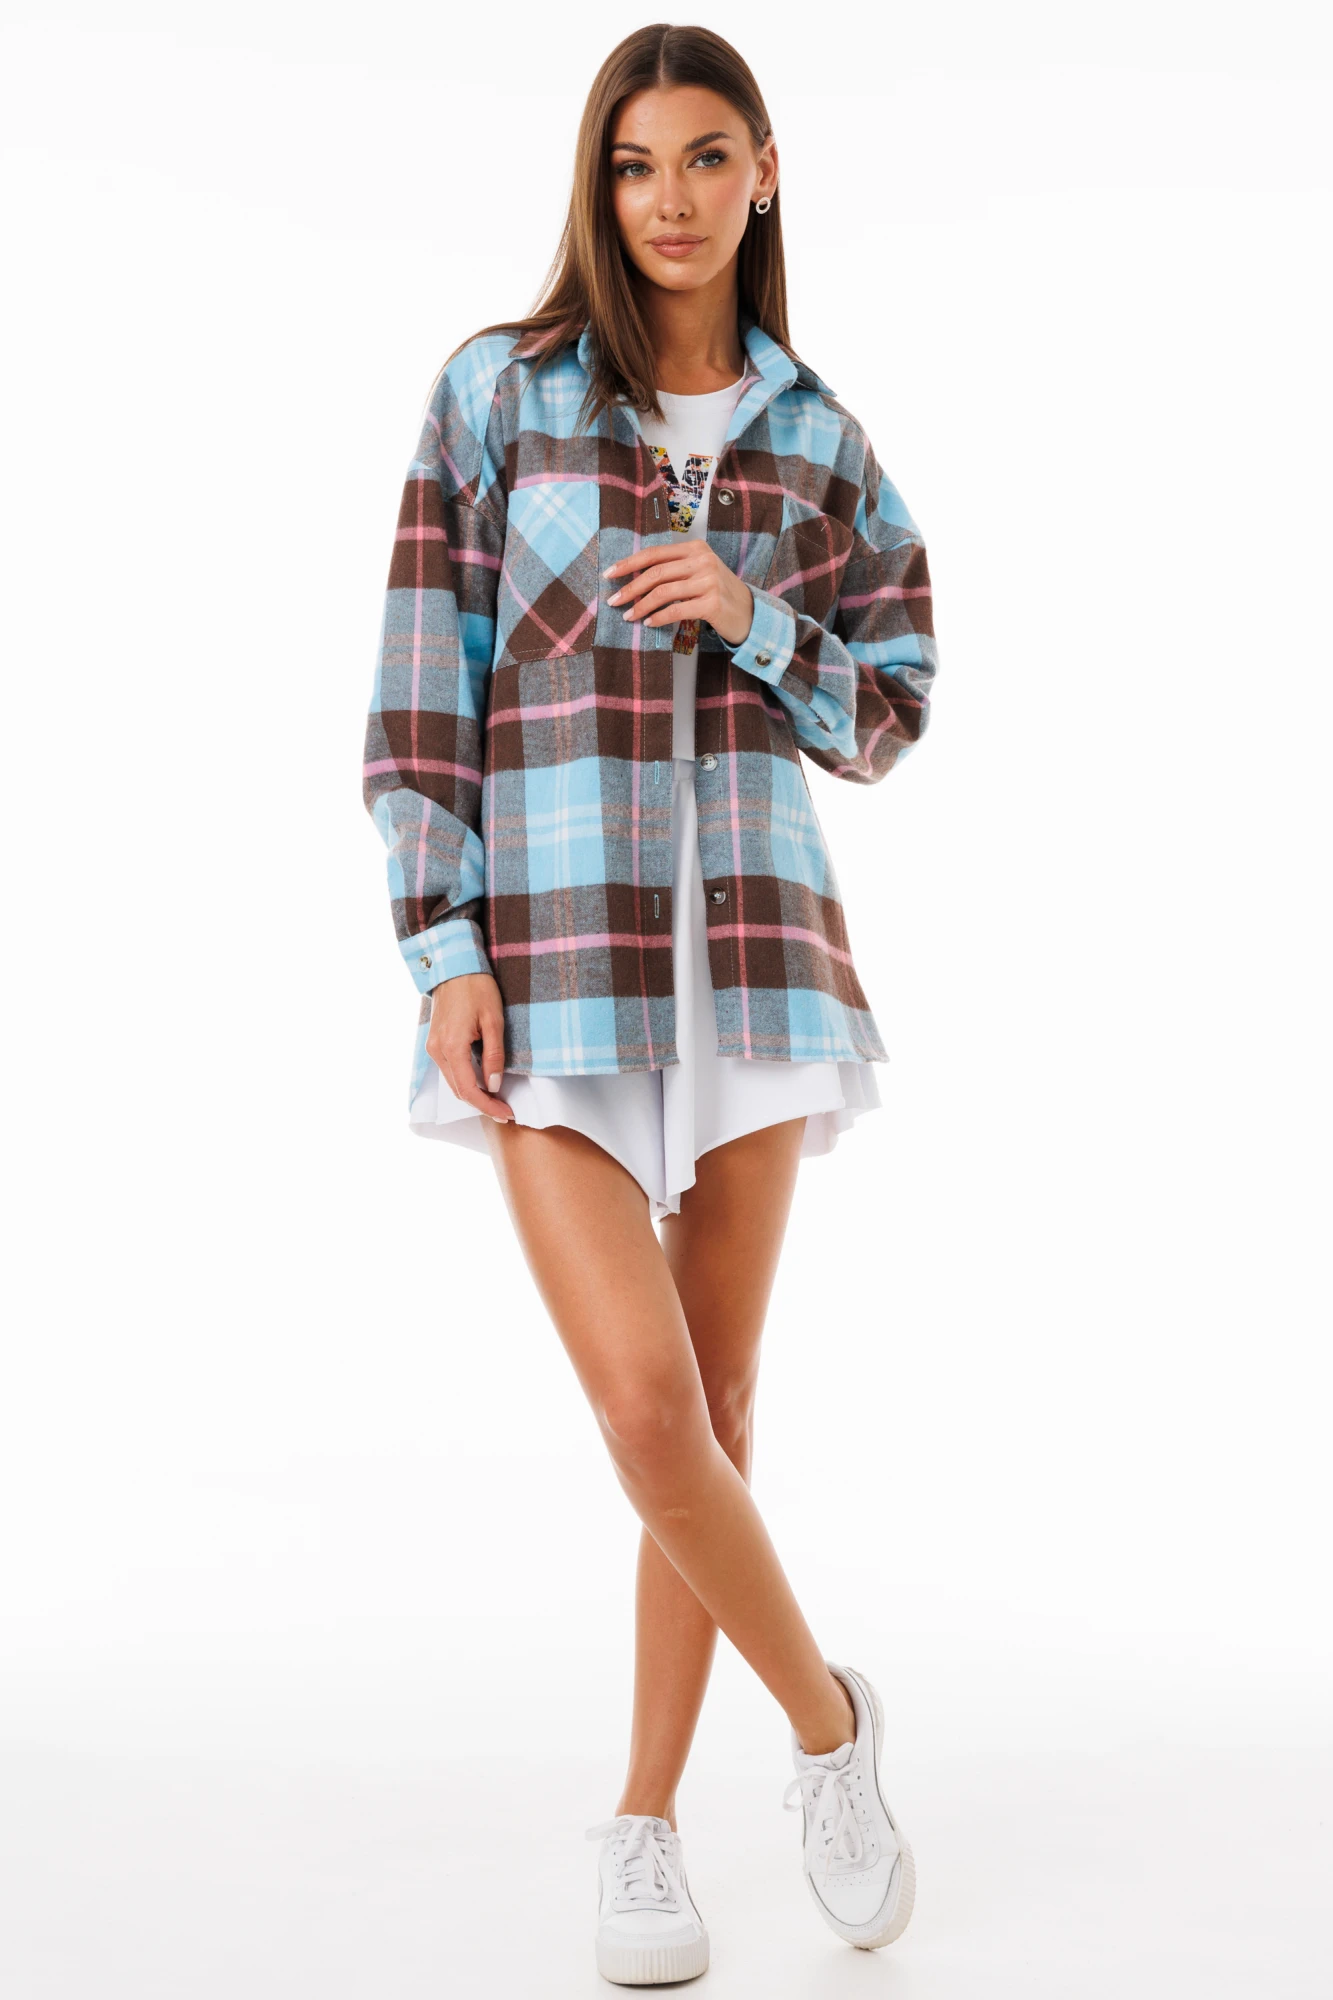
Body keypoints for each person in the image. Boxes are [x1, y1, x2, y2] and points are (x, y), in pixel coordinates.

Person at [362, 22, 938, 1986]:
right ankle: (832, 1728)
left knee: (719, 1410)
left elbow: (891, 708)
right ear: (596, 187)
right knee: (643, 1407)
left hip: (755, 961)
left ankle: (644, 1823)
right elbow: (421, 685)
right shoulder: (499, 393)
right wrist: (441, 946)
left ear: (763, 173)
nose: (668, 199)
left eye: (704, 158)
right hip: (554, 957)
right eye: (633, 164)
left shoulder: (816, 435)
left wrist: (751, 610)